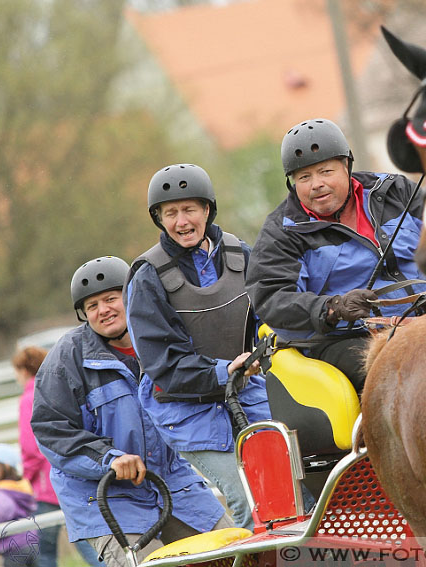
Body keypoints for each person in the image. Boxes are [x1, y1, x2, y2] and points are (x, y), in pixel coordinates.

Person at [32, 256, 234, 567]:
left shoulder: (162, 340)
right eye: (92, 306)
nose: (103, 310)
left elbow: (199, 378)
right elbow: (51, 430)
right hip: (107, 496)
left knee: (235, 553)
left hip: (172, 483)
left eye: (111, 298)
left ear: (132, 296)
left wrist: (230, 371)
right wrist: (109, 458)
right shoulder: (66, 359)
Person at [125, 164, 274, 531]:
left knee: (284, 488)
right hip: (185, 407)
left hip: (245, 390)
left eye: (189, 209)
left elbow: (271, 314)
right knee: (245, 495)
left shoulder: (242, 256)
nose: (181, 221)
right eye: (170, 213)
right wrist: (223, 371)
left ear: (207, 210)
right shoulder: (147, 278)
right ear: (159, 219)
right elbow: (164, 363)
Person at [245, 118, 426, 391]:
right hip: (344, 339)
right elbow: (271, 299)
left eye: (325, 171)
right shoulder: (281, 232)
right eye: (304, 177)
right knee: (403, 373)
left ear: (347, 166)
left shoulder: (397, 191)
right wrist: (332, 308)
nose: (316, 184)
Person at [12, 346, 104, 567]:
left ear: (24, 370)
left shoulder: (28, 398)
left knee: (46, 551)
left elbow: (30, 446)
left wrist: (28, 476)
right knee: (88, 540)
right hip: (72, 474)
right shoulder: (55, 389)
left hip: (46, 485)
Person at [0, 443, 39, 567]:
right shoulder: (18, 488)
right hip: (29, 543)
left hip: (14, 548)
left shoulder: (2, 493)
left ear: (6, 467)